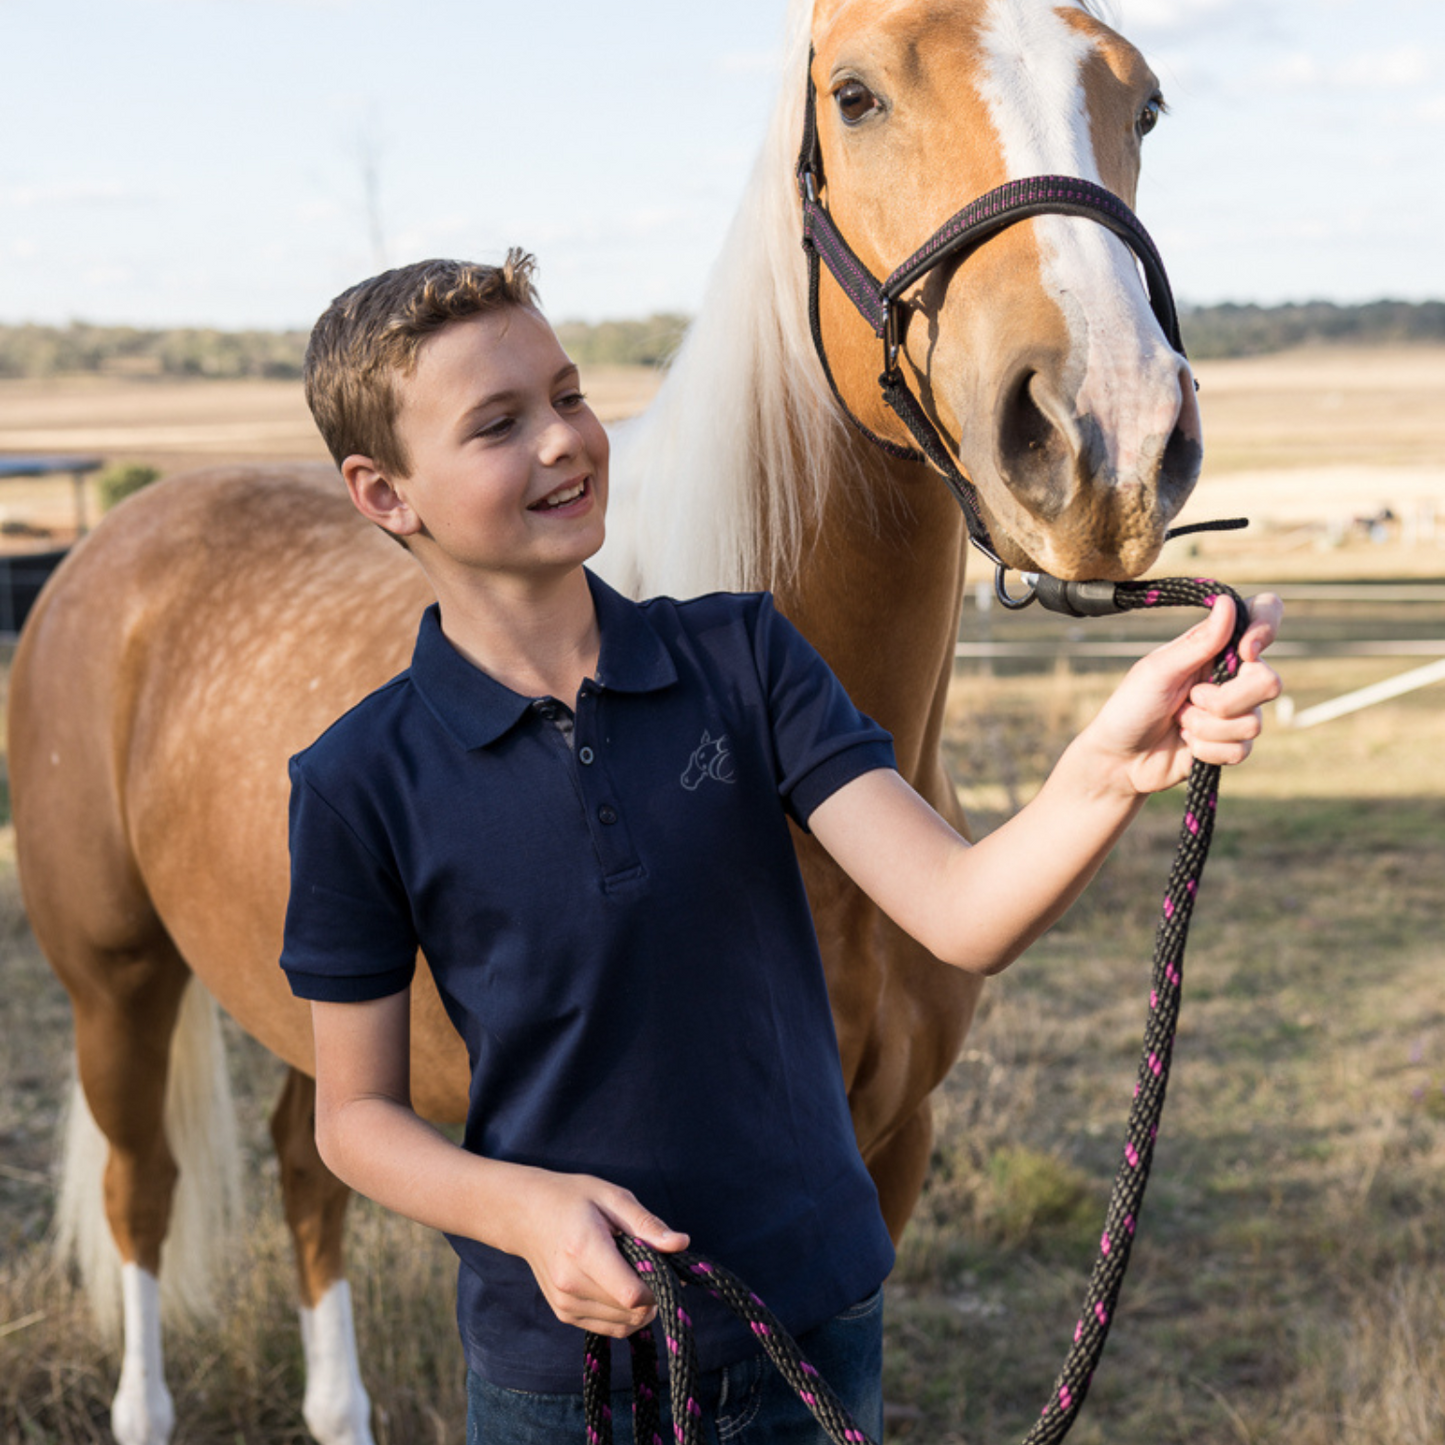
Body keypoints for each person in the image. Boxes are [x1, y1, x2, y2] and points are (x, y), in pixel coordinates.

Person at [282, 250, 1283, 1445]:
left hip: (807, 1315)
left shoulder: (743, 658)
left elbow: (964, 911)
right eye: (498, 423)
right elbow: (355, 1118)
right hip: (563, 1363)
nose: (562, 439)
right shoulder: (355, 780)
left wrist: (1108, 766)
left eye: (567, 394)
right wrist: (522, 1211)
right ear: (385, 493)